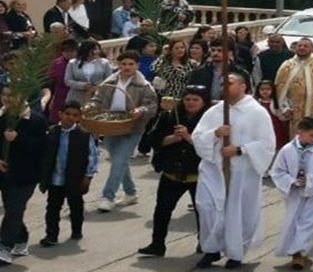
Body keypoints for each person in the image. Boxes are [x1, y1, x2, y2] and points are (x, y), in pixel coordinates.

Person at [192, 72, 276, 270]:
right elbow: (197, 136)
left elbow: (267, 144)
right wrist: (215, 134)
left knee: (238, 211)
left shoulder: (256, 112)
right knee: (207, 206)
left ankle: (236, 252)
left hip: (242, 170)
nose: (224, 87)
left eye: (229, 83)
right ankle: (212, 248)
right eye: (222, 84)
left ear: (243, 86)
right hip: (215, 168)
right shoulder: (215, 111)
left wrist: (239, 150)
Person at [137, 87, 209, 257]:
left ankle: (205, 243)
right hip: (172, 173)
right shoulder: (168, 117)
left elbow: (210, 147)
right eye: (187, 99)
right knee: (162, 210)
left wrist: (189, 138)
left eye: (195, 100)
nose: (190, 103)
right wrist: (172, 138)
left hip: (198, 175)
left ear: (203, 102)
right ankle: (157, 244)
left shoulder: (209, 120)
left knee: (204, 212)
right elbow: (152, 139)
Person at [88, 51, 158, 212]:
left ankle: (108, 196)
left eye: (131, 64)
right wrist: (90, 106)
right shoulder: (109, 82)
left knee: (119, 161)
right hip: (110, 125)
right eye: (124, 64)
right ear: (118, 65)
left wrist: (140, 110)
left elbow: (151, 106)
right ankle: (131, 192)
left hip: (132, 127)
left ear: (137, 66)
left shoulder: (144, 85)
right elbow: (97, 100)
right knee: (119, 161)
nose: (127, 67)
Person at [271, 116, 313, 271]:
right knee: (293, 221)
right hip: (294, 193)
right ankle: (298, 251)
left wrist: (310, 180)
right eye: (312, 135)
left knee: (308, 221)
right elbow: (277, 171)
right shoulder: (287, 150)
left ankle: (299, 253)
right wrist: (290, 181)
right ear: (300, 132)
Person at [38, 100, 99, 247]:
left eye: (75, 115)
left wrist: (88, 176)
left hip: (75, 178)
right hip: (55, 179)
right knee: (52, 208)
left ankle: (76, 230)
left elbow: (92, 156)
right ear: (60, 114)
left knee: (76, 206)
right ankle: (51, 236)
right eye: (67, 114)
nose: (70, 117)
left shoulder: (84, 135)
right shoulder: (52, 132)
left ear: (79, 117)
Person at [0, 84, 48, 264]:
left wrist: (18, 138)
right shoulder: (2, 116)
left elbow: (42, 147)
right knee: (12, 208)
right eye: (4, 94)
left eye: (11, 95)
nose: (7, 98)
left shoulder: (36, 119)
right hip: (4, 172)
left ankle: (4, 247)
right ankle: (21, 239)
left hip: (26, 175)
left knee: (14, 208)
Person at [64, 39, 113, 105]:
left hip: (97, 96)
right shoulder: (73, 63)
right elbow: (68, 80)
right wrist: (83, 85)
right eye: (94, 49)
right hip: (77, 96)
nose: (97, 52)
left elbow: (110, 80)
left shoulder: (104, 63)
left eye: (98, 49)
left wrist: (97, 87)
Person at [45, 39, 78, 124]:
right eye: (66, 51)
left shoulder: (81, 63)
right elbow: (50, 81)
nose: (69, 53)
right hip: (60, 96)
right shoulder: (56, 63)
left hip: (77, 94)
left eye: (72, 51)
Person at [255, 80, 289, 149]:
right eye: (262, 89)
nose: (265, 91)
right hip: (261, 126)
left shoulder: (277, 102)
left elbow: (282, 114)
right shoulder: (255, 103)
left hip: (276, 126)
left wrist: (287, 113)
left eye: (268, 89)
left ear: (273, 90)